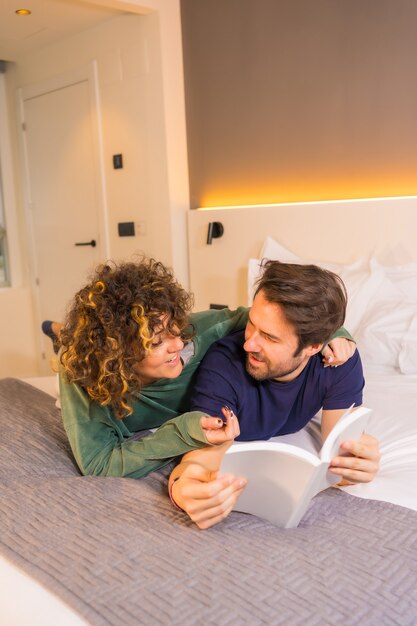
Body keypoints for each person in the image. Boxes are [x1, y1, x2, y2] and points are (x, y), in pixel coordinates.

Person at [46, 256, 360, 480]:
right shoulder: (83, 376)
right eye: (155, 342)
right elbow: (100, 464)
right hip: (86, 358)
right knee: (67, 348)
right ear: (115, 355)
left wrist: (334, 332)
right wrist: (183, 432)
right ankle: (61, 334)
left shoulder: (197, 332)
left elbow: (279, 319)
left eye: (174, 327)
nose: (175, 344)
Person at [168, 261, 381, 529]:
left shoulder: (339, 360)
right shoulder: (225, 365)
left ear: (314, 346)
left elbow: (340, 454)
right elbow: (200, 457)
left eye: (270, 337)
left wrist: (359, 464)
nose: (249, 343)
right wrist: (183, 489)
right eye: (252, 324)